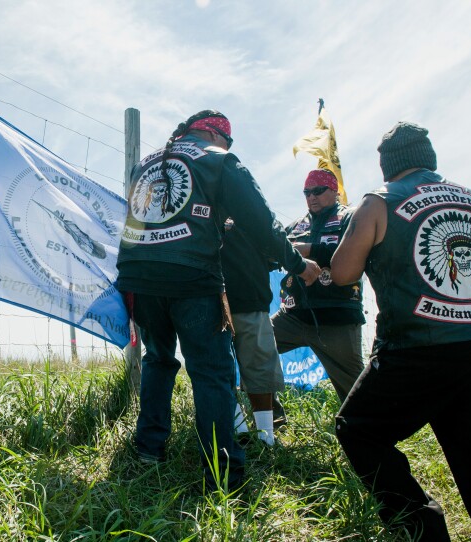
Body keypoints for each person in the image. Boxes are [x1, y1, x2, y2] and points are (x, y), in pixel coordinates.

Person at [330, 121, 471, 541]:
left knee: (360, 429)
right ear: (430, 160)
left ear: (388, 165)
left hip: (417, 350)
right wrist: (462, 298)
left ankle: (422, 528)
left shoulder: (378, 202)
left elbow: (342, 273)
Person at [117, 110, 320, 491]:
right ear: (217, 135)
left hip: (138, 277)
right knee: (212, 372)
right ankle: (222, 472)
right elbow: (262, 222)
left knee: (158, 359)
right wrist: (296, 264)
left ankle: (149, 449)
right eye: (229, 140)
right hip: (193, 277)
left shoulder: (146, 164)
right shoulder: (219, 159)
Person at [271, 168, 365, 402]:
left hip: (337, 318)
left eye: (318, 191)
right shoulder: (295, 226)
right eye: (307, 192)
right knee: (252, 345)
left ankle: (373, 436)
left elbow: (356, 253)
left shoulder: (351, 217)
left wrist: (307, 250)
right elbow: (271, 254)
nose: (311, 197)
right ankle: (269, 421)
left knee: (357, 392)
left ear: (334, 191)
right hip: (291, 316)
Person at [221, 214, 295, 447]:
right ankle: (240, 431)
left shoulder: (252, 209)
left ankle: (266, 437)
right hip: (209, 301)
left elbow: (276, 250)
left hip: (249, 300)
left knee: (260, 366)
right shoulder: (201, 201)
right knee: (215, 368)